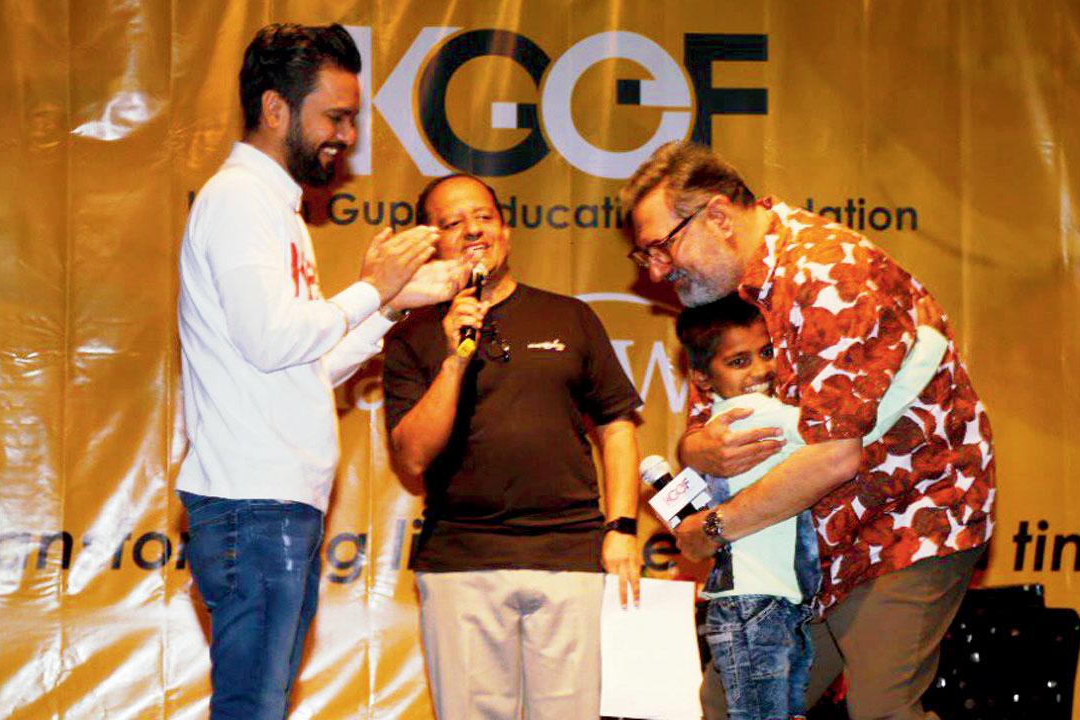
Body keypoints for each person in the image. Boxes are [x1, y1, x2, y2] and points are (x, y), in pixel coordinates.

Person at [622, 141, 995, 720]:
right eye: (643, 256)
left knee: (882, 708)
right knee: (735, 706)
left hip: (899, 522)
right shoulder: (732, 293)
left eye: (661, 248)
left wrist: (713, 529)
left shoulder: (827, 271)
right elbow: (707, 430)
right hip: (803, 540)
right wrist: (695, 447)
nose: (657, 271)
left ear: (717, 217)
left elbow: (833, 458)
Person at [176, 23, 465, 719]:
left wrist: (392, 307)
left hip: (275, 501)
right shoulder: (240, 201)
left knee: (263, 701)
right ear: (275, 109)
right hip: (252, 503)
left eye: (353, 118)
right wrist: (372, 286)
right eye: (334, 116)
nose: (347, 135)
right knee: (253, 704)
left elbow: (304, 363)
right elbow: (274, 339)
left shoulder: (276, 209)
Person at [381, 173, 643, 720]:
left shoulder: (570, 316)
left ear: (505, 228)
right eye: (452, 223)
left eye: (482, 216)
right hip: (462, 563)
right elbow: (411, 457)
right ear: (433, 241)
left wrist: (620, 528)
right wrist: (454, 358)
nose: (472, 230)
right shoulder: (411, 336)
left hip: (570, 558)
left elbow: (618, 425)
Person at [675, 294, 949, 720]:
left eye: (766, 353)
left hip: (765, 600)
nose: (761, 369)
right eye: (739, 361)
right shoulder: (759, 417)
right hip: (760, 605)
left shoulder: (718, 423)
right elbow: (865, 424)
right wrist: (930, 342)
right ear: (701, 378)